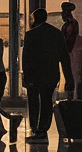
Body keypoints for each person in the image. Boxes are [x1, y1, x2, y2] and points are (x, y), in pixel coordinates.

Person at [21, 8, 71, 144]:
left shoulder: (31, 35)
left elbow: (26, 58)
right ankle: (43, 129)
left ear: (35, 19)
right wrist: (69, 78)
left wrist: (25, 75)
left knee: (33, 101)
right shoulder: (56, 33)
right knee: (46, 100)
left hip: (34, 74)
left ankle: (35, 127)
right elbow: (64, 57)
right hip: (50, 74)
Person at [59, 2, 79, 96]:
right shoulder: (69, 23)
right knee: (67, 72)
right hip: (67, 51)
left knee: (68, 72)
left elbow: (68, 38)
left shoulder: (71, 24)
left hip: (69, 51)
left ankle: (69, 93)